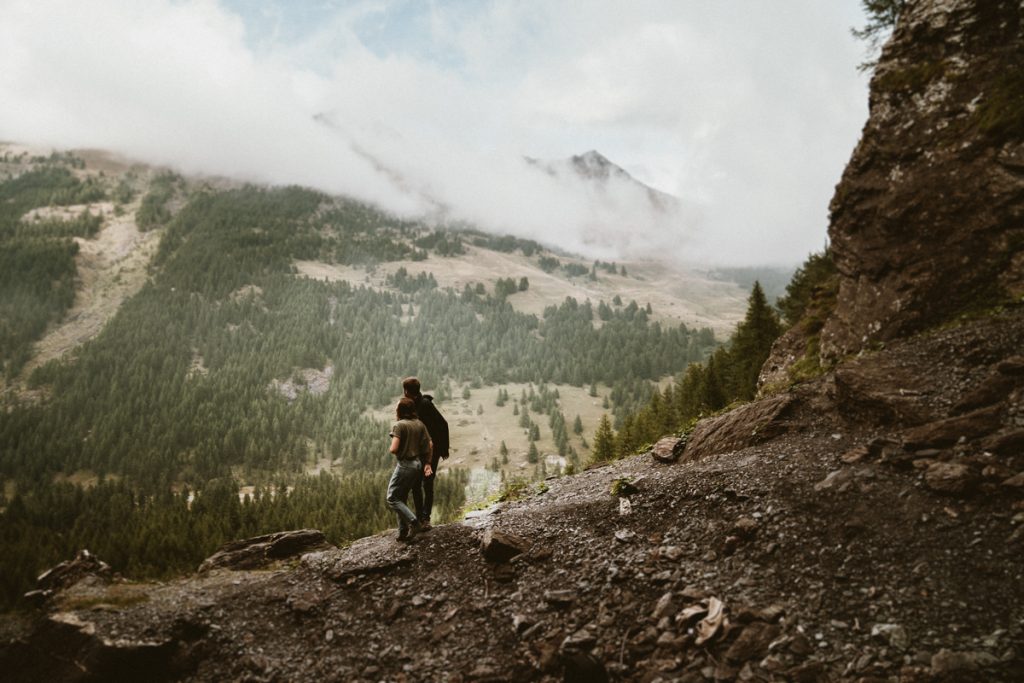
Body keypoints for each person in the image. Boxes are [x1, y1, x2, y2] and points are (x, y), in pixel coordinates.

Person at [402, 377, 449, 530]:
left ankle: (425, 517)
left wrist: (443, 449)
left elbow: (443, 424)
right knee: (417, 485)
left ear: (407, 391)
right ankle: (420, 517)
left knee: (426, 483)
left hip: (430, 451)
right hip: (418, 452)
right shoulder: (412, 405)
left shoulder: (425, 405)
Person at [386, 397, 432, 542]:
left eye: (397, 407)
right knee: (402, 498)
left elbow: (394, 449)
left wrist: (392, 442)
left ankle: (414, 523)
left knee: (392, 498)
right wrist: (428, 463)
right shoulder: (419, 424)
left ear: (400, 410)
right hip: (417, 464)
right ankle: (402, 532)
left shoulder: (399, 425)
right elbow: (430, 445)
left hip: (405, 464)